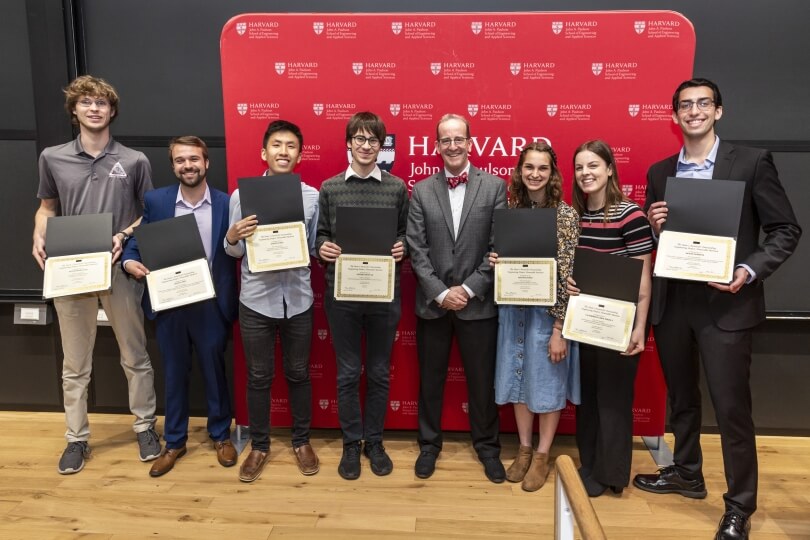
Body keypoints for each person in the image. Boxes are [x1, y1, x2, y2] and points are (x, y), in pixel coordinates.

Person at [634, 78, 801, 540]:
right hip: (673, 303)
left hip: (726, 303)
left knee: (731, 409)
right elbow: (653, 241)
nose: (693, 111)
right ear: (674, 117)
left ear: (718, 112)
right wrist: (653, 222)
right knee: (682, 400)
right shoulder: (659, 171)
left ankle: (739, 505)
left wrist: (747, 270)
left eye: (702, 103)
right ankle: (687, 472)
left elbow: (785, 230)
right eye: (685, 105)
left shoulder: (749, 162)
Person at [32, 75, 159, 474]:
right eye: (86, 102)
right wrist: (38, 232)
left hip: (118, 268)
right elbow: (47, 207)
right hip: (71, 268)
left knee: (135, 354)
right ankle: (76, 438)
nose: (94, 109)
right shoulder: (52, 157)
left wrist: (125, 233)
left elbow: (148, 212)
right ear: (74, 111)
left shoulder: (135, 160)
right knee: (75, 362)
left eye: (101, 103)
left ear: (112, 111)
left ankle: (144, 426)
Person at [122, 136, 239, 476]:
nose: (188, 165)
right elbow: (137, 244)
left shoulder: (225, 202)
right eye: (180, 160)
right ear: (173, 165)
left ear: (207, 163)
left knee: (215, 373)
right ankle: (174, 442)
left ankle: (221, 435)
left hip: (210, 303)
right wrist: (129, 263)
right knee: (174, 374)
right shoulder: (156, 202)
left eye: (194, 159)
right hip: (169, 303)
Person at [407, 113, 507, 483]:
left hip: (477, 304)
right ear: (437, 146)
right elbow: (416, 249)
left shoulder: (495, 187)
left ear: (470, 142)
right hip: (432, 305)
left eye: (458, 139)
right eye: (445, 140)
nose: (452, 146)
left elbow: (498, 249)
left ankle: (487, 447)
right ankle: (429, 446)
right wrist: (440, 292)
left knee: (482, 382)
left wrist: (465, 290)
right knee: (430, 381)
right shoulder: (420, 190)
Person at [225, 120, 320, 483]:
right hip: (256, 301)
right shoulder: (240, 196)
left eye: (291, 146)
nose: (284, 151)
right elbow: (232, 251)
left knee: (298, 373)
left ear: (299, 153)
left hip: (298, 299)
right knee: (259, 376)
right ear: (264, 152)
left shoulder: (311, 196)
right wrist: (233, 235)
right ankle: (260, 445)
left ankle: (301, 442)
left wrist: (325, 250)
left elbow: (312, 247)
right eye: (277, 145)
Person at [316, 112, 409, 480]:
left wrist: (403, 247)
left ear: (382, 146)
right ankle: (351, 443)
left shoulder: (397, 188)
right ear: (349, 144)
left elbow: (404, 234)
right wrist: (323, 247)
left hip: (384, 295)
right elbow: (321, 234)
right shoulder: (330, 187)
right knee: (348, 373)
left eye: (374, 140)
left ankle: (375, 441)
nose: (367, 146)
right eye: (360, 139)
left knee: (380, 372)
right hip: (343, 296)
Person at [488, 142, 580, 491]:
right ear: (519, 171)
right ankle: (524, 449)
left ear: (552, 173)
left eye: (542, 168)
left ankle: (543, 455)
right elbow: (508, 263)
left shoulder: (566, 215)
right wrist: (498, 263)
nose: (535, 174)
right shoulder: (511, 212)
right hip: (514, 313)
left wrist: (559, 327)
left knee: (548, 384)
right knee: (519, 380)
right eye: (529, 167)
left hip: (548, 316)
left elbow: (569, 272)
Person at [568, 140, 653, 497]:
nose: (585, 173)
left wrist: (639, 329)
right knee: (588, 398)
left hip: (619, 325)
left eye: (593, 166)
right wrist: (570, 284)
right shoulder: (576, 216)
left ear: (609, 170)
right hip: (585, 323)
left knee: (613, 400)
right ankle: (591, 466)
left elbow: (644, 280)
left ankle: (612, 475)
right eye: (579, 167)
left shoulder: (630, 215)